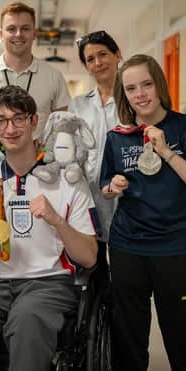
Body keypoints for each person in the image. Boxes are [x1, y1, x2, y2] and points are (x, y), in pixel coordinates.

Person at [0, 85, 99, 371]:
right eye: (1, 121)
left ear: (33, 122)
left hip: (50, 282)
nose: (11, 128)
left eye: (18, 118)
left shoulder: (69, 182)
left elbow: (89, 258)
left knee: (27, 320)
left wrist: (56, 220)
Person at [100, 54, 186, 371]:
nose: (141, 94)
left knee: (183, 342)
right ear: (124, 94)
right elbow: (105, 187)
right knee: (128, 342)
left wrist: (166, 151)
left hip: (175, 249)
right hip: (127, 248)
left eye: (147, 84)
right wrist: (114, 187)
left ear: (159, 85)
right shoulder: (117, 137)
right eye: (132, 88)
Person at [0, 1, 71, 139]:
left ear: (34, 33)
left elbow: (64, 126)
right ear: (0, 33)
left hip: (40, 159)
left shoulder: (53, 76)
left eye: (25, 28)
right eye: (11, 29)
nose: (18, 34)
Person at [69, 30, 122, 241]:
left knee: (124, 268)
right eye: (90, 59)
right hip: (88, 197)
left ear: (117, 55)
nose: (98, 62)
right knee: (94, 268)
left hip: (127, 198)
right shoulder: (78, 105)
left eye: (103, 54)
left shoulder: (133, 100)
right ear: (86, 66)